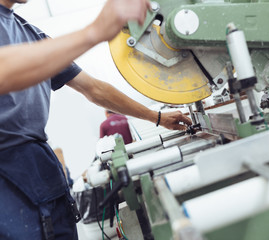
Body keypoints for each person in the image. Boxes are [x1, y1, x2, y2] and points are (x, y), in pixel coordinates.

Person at [0, 0, 192, 239]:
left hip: (39, 164)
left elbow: (93, 89)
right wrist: (94, 31)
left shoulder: (30, 34)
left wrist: (157, 116)